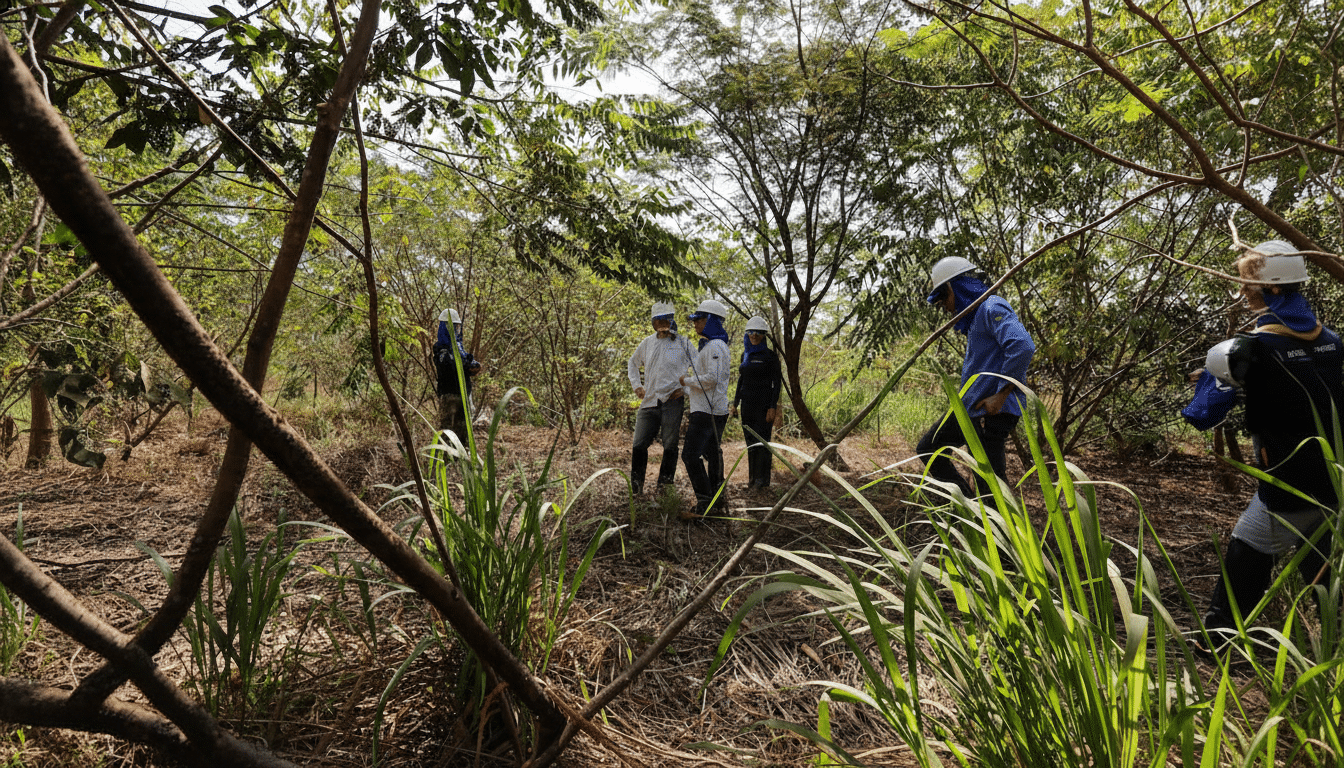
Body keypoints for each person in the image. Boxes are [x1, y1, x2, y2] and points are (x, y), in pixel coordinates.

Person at [1191, 240, 1343, 652]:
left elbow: (1202, 415)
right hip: (1335, 477)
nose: (1243, 291)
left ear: (1271, 290)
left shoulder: (1249, 349)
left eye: (1247, 285)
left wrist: (1214, 379)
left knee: (1247, 548)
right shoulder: (1335, 342)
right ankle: (1328, 644)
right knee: (1321, 559)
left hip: (1288, 483)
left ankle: (1220, 639)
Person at [917, 256, 1035, 499]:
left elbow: (1022, 346)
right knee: (930, 449)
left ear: (952, 288)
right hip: (972, 408)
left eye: (944, 300)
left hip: (991, 409)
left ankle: (1000, 531)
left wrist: (1001, 395)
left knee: (989, 481)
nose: (947, 309)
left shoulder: (992, 306)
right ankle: (971, 508)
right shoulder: (976, 317)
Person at [626, 302, 696, 496]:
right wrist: (637, 386)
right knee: (639, 443)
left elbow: (699, 367)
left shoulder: (683, 343)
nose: (662, 324)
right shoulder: (648, 343)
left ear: (672, 320)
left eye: (666, 319)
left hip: (672, 400)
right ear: (653, 323)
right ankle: (636, 487)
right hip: (649, 400)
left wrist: (685, 389)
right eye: (658, 321)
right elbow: (632, 363)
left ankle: (664, 486)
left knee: (670, 444)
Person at [680, 299, 732, 519]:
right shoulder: (712, 346)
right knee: (712, 453)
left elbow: (710, 380)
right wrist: (685, 390)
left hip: (707, 412)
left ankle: (705, 501)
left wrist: (686, 381)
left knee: (690, 456)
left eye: (699, 320)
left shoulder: (715, 347)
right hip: (708, 408)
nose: (695, 324)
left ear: (711, 321)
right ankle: (716, 500)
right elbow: (707, 383)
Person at [731, 315, 783, 490]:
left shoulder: (770, 356)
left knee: (763, 443)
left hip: (763, 407)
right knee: (751, 444)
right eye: (751, 332)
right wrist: (735, 403)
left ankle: (763, 481)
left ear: (764, 335)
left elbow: (777, 383)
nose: (754, 335)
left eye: (758, 333)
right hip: (747, 406)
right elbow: (741, 380)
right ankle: (752, 480)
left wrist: (772, 406)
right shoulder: (744, 355)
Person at [432, 308, 481, 447]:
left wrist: (473, 366)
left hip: (463, 394)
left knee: (463, 430)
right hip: (448, 394)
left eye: (457, 326)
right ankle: (443, 460)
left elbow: (467, 365)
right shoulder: (440, 348)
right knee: (446, 430)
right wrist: (465, 363)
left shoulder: (459, 348)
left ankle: (462, 461)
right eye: (454, 326)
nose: (457, 330)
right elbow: (449, 365)